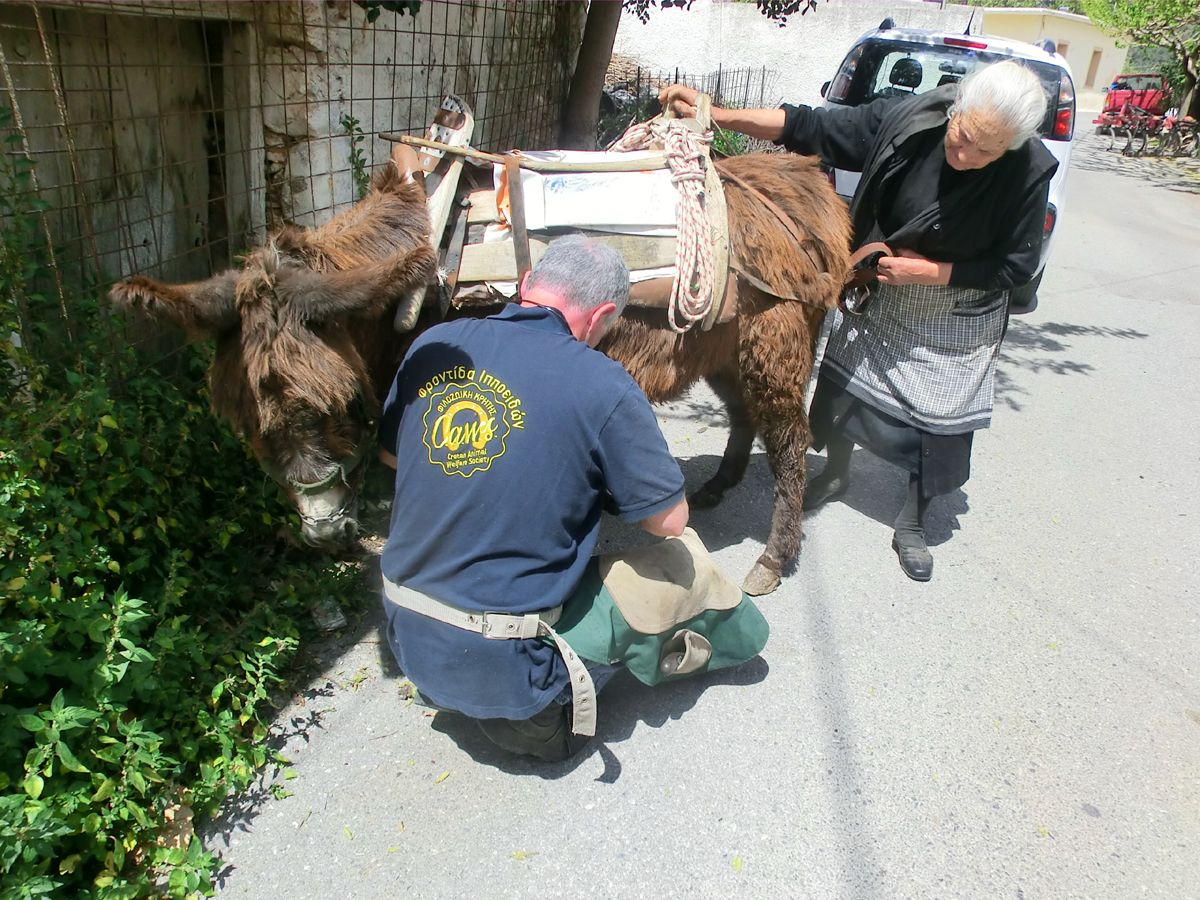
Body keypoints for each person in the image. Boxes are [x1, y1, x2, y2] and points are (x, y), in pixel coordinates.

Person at [660, 61, 1056, 582]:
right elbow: (812, 126)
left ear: (1013, 145)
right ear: (954, 111)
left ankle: (914, 516)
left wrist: (932, 272)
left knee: (936, 417)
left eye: (988, 151)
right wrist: (722, 116)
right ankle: (834, 473)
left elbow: (1018, 265)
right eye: (963, 137)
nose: (967, 155)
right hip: (879, 280)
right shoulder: (911, 120)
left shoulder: (1027, 172)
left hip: (955, 297)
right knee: (848, 389)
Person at [377, 236, 766, 761]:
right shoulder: (601, 382)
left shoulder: (435, 345)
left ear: (525, 287)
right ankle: (742, 646)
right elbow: (669, 520)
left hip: (408, 639)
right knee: (682, 558)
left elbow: (394, 461)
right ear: (603, 314)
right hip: (518, 683)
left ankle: (466, 688)